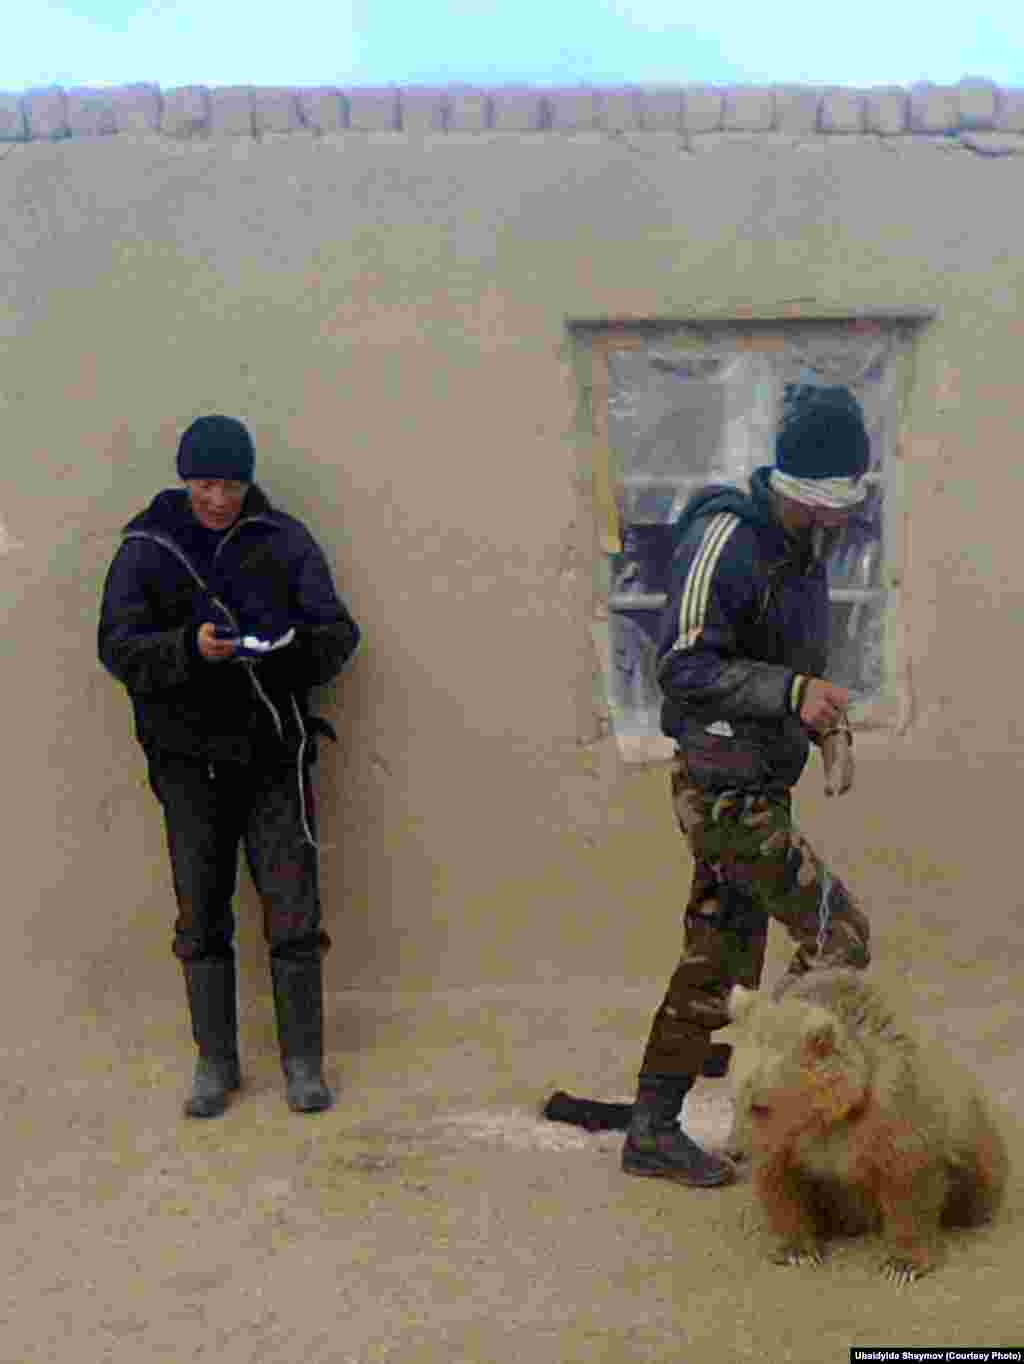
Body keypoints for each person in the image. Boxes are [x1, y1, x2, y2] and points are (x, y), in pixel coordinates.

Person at [620, 384, 873, 1188]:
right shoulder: (728, 537)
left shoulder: (802, 552)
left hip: (760, 779)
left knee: (718, 962)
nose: (839, 523)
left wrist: (820, 717)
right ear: (796, 489)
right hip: (723, 788)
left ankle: (653, 1130)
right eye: (829, 505)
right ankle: (776, 1104)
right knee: (838, 935)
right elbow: (684, 666)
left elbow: (784, 666)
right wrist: (792, 695)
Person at [98, 415, 360, 1119]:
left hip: (274, 755)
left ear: (249, 482)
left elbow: (338, 634)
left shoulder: (285, 539)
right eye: (207, 483)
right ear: (185, 480)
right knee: (201, 918)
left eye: (233, 484)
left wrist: (286, 650)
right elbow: (118, 648)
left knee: (294, 913)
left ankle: (304, 1063)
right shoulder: (147, 549)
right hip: (187, 766)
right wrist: (189, 649)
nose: (219, 498)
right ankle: (215, 1063)